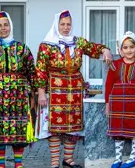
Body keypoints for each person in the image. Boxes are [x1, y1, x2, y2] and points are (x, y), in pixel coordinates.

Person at [35, 10, 113, 168]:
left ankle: (68, 160)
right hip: (54, 89)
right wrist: (41, 92)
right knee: (54, 128)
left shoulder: (78, 42)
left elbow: (93, 48)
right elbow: (40, 70)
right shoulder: (47, 45)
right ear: (57, 25)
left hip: (75, 89)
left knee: (73, 126)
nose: (65, 27)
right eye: (62, 24)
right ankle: (55, 162)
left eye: (68, 24)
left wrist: (105, 50)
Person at [0, 11, 36, 168]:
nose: (3, 28)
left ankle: (18, 164)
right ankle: (1, 164)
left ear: (11, 26)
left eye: (6, 25)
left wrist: (33, 96)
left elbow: (32, 73)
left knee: (18, 128)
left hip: (18, 97)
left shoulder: (22, 49)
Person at [105, 31, 135, 168]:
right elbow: (108, 86)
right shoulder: (115, 66)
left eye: (131, 47)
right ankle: (118, 158)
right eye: (125, 47)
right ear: (121, 49)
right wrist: (107, 104)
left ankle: (133, 158)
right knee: (118, 132)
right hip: (117, 104)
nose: (129, 50)